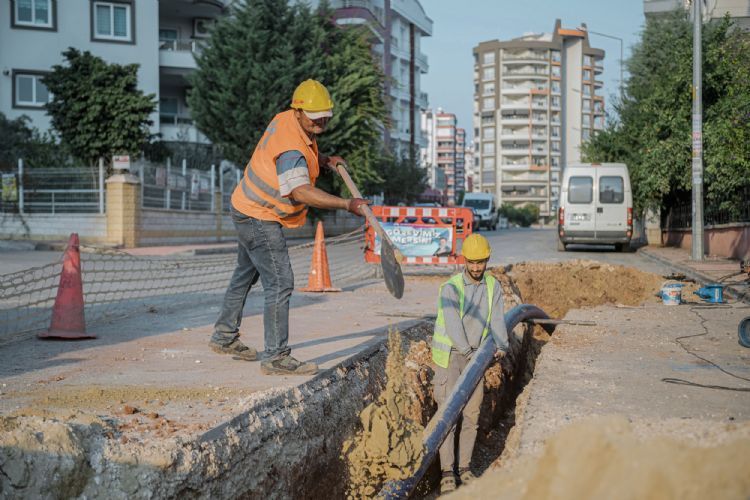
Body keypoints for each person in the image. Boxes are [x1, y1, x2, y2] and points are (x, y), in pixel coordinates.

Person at [209, 79, 370, 376]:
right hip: (259, 216)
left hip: (245, 205)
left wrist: (323, 160)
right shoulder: (292, 149)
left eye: (325, 116)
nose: (321, 121)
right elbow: (300, 191)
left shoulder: (286, 120)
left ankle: (223, 335)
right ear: (298, 111)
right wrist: (348, 204)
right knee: (281, 282)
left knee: (245, 275)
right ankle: (276, 357)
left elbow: (300, 153)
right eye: (315, 117)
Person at [431, 233, 509, 493]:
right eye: (472, 262)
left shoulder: (492, 286)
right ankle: (446, 472)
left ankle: (464, 468)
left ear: (487, 260)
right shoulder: (451, 288)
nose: (476, 268)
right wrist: (468, 354)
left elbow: (497, 319)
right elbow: (453, 325)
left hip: (475, 357)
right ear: (465, 260)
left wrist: (502, 346)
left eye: (481, 262)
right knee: (448, 415)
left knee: (472, 415)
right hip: (452, 356)